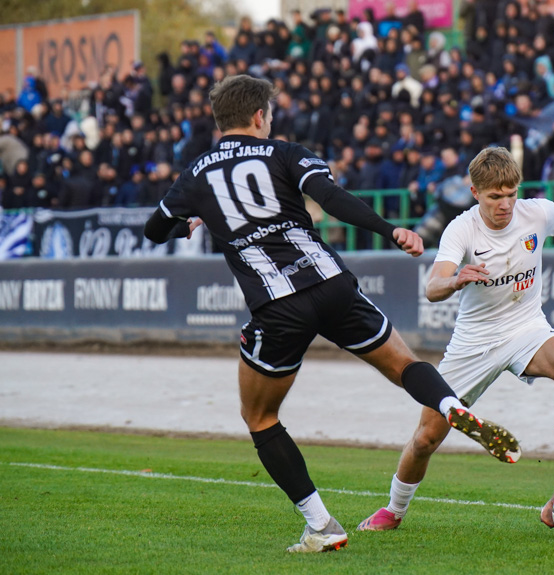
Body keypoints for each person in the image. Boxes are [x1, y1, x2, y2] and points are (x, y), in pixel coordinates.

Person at [143, 75, 521, 553]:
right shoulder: (284, 152)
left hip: (278, 304)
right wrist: (391, 230)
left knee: (259, 416)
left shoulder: (196, 174)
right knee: (405, 365)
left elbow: (154, 229)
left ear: (224, 120)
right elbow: (333, 198)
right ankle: (452, 406)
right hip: (331, 282)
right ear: (260, 116)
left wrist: (187, 220)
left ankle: (321, 526)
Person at [357, 146, 554, 532]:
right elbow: (433, 286)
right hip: (473, 345)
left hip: (526, 329)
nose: (505, 204)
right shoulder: (461, 229)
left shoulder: (535, 213)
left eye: (511, 194)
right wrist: (456, 278)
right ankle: (393, 510)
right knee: (425, 438)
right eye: (495, 197)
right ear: (476, 193)